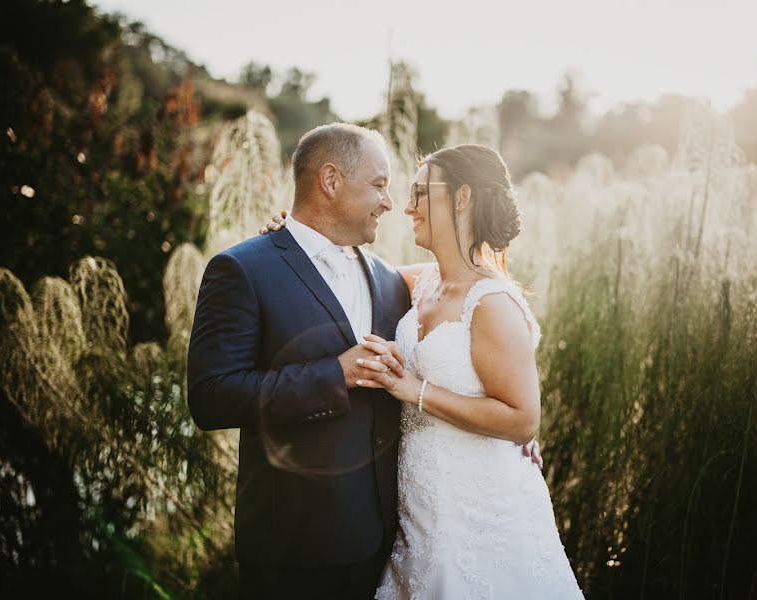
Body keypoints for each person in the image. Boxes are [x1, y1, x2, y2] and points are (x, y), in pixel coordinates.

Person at [190, 123, 541, 599]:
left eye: (409, 191)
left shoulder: (389, 282)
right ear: (331, 182)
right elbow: (212, 398)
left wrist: (513, 437)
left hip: (396, 537)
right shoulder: (247, 270)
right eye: (380, 185)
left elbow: (484, 292)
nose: (393, 203)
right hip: (294, 548)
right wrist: (336, 374)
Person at [261, 144, 583, 598]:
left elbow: (523, 419)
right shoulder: (421, 283)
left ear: (463, 197)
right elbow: (335, 276)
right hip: (420, 514)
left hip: (481, 509)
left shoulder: (491, 302)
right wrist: (293, 237)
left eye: (419, 193)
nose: (406, 207)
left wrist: (414, 389)